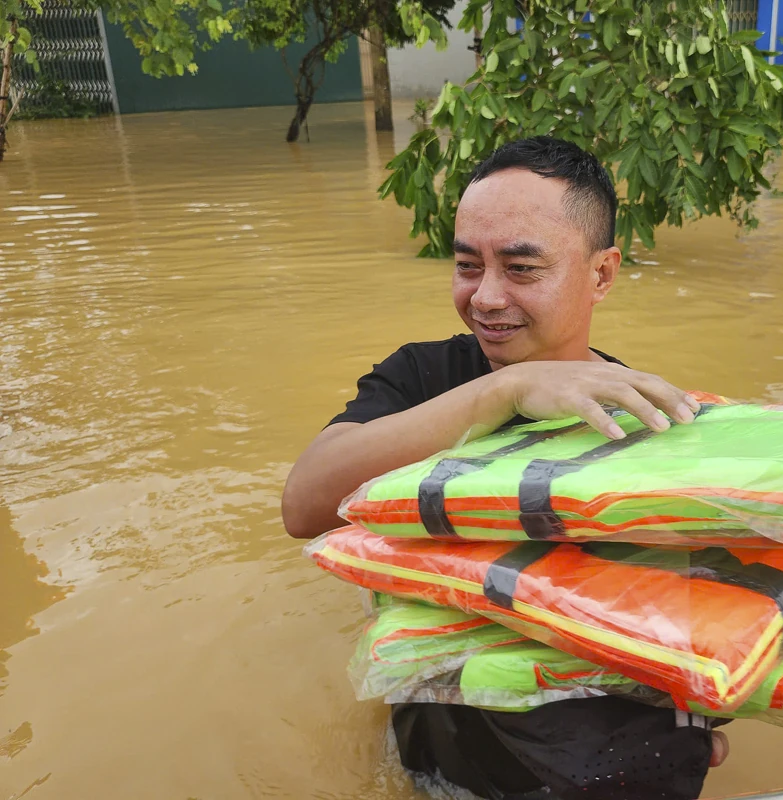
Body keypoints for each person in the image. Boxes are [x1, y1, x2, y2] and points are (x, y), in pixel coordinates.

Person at [282, 136, 730, 800]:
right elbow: (304, 504)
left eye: (521, 268)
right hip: (438, 752)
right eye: (468, 265)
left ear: (602, 275)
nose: (486, 298)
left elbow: (708, 612)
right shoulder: (423, 376)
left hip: (601, 769)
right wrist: (505, 391)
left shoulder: (649, 423)